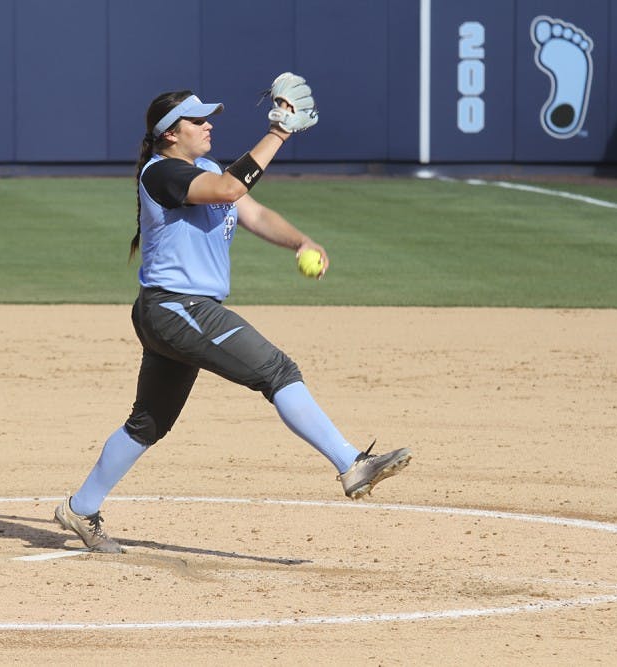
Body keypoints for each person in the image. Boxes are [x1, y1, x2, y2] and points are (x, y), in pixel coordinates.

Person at [55, 74, 411, 553]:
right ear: (169, 133)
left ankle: (79, 508)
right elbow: (227, 190)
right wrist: (279, 133)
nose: (207, 125)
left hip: (175, 312)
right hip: (178, 308)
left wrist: (300, 241)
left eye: (208, 119)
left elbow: (254, 212)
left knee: (149, 422)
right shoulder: (162, 173)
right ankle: (351, 463)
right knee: (276, 369)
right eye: (196, 120)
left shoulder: (203, 166)